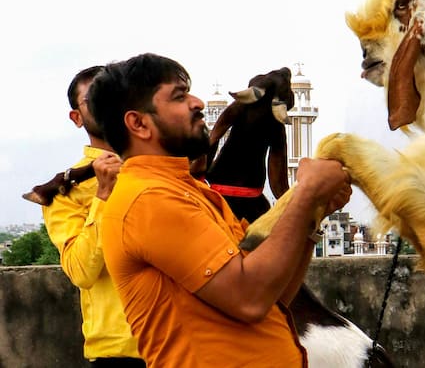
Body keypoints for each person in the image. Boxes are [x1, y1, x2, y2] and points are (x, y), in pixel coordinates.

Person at [87, 53, 352, 367]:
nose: (197, 102)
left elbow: (272, 296)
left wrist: (312, 214)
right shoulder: (147, 201)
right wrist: (306, 194)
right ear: (139, 124)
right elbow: (249, 299)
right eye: (179, 96)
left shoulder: (192, 192)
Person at [42, 66, 144, 367]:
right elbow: (81, 271)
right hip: (122, 351)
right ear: (76, 117)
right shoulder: (64, 191)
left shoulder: (160, 171)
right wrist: (103, 196)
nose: (108, 104)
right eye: (95, 98)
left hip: (185, 343)